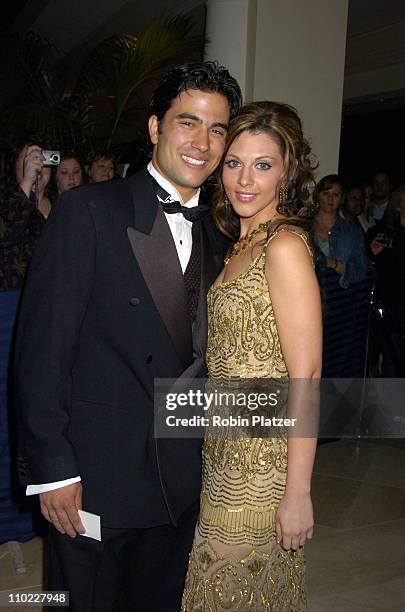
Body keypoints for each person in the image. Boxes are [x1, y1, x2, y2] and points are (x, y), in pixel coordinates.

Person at [15, 61, 242, 611]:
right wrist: (53, 472)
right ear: (154, 128)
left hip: (182, 479)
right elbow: (41, 355)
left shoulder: (223, 230)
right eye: (188, 122)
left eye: (217, 130)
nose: (203, 143)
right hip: (97, 477)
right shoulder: (88, 211)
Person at [181, 101, 322, 611]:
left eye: (263, 165)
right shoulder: (240, 244)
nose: (245, 178)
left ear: (287, 172)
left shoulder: (283, 247)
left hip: (263, 470)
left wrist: (298, 492)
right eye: (234, 161)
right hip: (222, 453)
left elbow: (306, 374)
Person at [0, 138, 49, 544]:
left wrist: (35, 195)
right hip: (4, 312)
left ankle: (22, 522)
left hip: (28, 310)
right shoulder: (10, 196)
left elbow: (40, 249)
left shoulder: (27, 198)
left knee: (21, 414)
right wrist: (22, 188)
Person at [367, 186, 405, 376]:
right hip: (393, 310)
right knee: (392, 362)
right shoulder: (385, 233)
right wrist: (374, 256)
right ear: (398, 206)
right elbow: (378, 268)